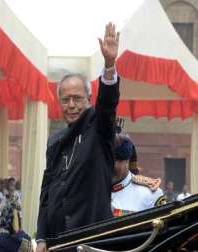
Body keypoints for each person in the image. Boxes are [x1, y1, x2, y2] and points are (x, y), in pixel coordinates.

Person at [36, 22, 120, 251]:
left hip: (92, 242)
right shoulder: (54, 142)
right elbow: (46, 192)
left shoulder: (99, 128)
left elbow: (108, 104)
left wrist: (109, 65)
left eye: (77, 98)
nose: (71, 105)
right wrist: (41, 237)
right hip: (57, 242)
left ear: (89, 99)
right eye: (65, 99)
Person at [111, 133, 166, 216]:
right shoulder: (88, 190)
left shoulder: (151, 194)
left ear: (127, 161)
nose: (107, 167)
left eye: (113, 161)